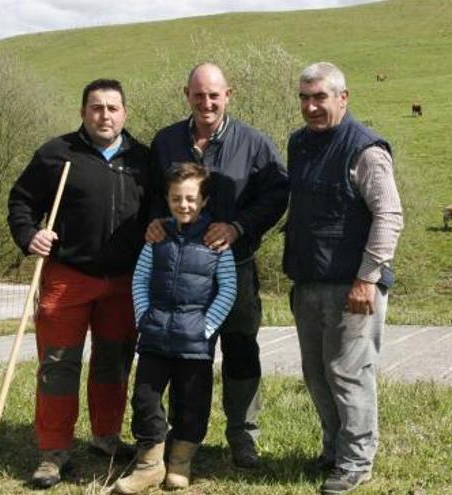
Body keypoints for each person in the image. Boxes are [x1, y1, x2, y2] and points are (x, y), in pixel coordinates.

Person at [7, 78, 150, 489]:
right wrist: (28, 234)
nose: (105, 115)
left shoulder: (142, 159)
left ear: (125, 112)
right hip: (67, 277)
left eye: (113, 108)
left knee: (113, 362)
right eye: (96, 108)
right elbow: (20, 201)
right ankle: (54, 450)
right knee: (57, 365)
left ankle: (106, 437)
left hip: (122, 281)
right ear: (83, 112)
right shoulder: (57, 153)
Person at [147, 62, 289, 468]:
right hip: (179, 272)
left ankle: (243, 435)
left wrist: (239, 226)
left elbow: (278, 194)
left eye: (214, 94)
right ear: (186, 95)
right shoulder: (166, 141)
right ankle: (184, 435)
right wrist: (156, 221)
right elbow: (153, 195)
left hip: (236, 267)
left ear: (230, 94)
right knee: (187, 354)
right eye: (198, 94)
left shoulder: (254, 143)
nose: (206, 102)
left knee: (242, 348)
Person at [283, 62, 403, 495]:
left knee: (349, 373)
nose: (311, 106)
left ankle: (356, 461)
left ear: (343, 98)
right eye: (305, 97)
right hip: (309, 280)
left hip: (353, 285)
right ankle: (334, 449)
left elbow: (389, 216)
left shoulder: (366, 149)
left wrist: (367, 279)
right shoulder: (300, 144)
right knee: (316, 373)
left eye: (320, 97)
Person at [115, 163, 237, 494]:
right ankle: (149, 465)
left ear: (204, 200)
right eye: (176, 199)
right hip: (154, 337)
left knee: (192, 403)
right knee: (145, 399)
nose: (183, 205)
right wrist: (143, 317)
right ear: (167, 200)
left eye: (191, 199)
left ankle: (181, 462)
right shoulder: (157, 237)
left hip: (195, 342)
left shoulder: (216, 242)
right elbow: (140, 279)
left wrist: (207, 327)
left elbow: (227, 288)